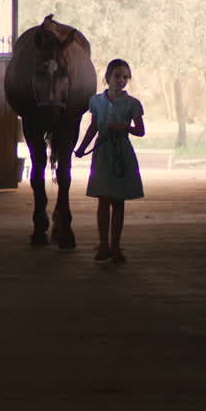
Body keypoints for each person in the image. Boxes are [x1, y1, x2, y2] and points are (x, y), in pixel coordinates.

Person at [74, 59, 145, 263]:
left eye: (125, 77)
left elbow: (140, 131)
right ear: (107, 78)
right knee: (103, 199)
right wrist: (81, 148)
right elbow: (93, 127)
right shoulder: (96, 102)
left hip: (122, 153)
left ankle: (116, 245)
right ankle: (103, 244)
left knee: (118, 201)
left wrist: (125, 127)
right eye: (117, 76)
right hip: (102, 152)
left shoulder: (133, 103)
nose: (121, 80)